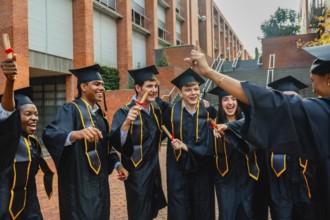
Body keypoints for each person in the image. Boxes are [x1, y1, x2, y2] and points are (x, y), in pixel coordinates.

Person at [184, 43, 330, 219]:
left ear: (328, 79)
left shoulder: (322, 112)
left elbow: (269, 102)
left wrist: (209, 72)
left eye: (313, 81)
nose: (312, 89)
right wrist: (229, 127)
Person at [42, 64, 127, 220]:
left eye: (102, 84)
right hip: (78, 184)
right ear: (83, 86)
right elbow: (49, 134)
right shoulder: (70, 110)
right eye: (97, 84)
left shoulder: (101, 116)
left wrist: (117, 164)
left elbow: (107, 146)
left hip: (100, 184)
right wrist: (74, 134)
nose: (102, 88)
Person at [108, 65, 167, 220]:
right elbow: (116, 142)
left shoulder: (156, 109)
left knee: (151, 212)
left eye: (155, 86)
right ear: (138, 87)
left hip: (154, 169)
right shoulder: (124, 111)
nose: (154, 90)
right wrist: (127, 123)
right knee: (139, 213)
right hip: (136, 173)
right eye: (149, 86)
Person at [0, 56, 54, 220]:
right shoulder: (6, 139)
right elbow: (7, 113)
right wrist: (10, 82)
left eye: (36, 114)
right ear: (16, 117)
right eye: (28, 114)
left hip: (30, 208)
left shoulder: (33, 143)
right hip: (4, 207)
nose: (35, 118)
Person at [162, 68, 216, 220]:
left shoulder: (209, 113)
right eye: (188, 90)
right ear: (180, 93)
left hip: (203, 170)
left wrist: (186, 147)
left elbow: (211, 143)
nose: (193, 93)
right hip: (178, 170)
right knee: (180, 210)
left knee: (203, 209)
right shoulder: (171, 113)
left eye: (196, 89)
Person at [208, 86, 262, 220]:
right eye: (225, 99)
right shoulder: (213, 126)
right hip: (225, 180)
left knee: (247, 215)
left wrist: (228, 128)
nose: (230, 103)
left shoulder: (248, 122)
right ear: (221, 103)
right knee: (227, 216)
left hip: (248, 178)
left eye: (233, 98)